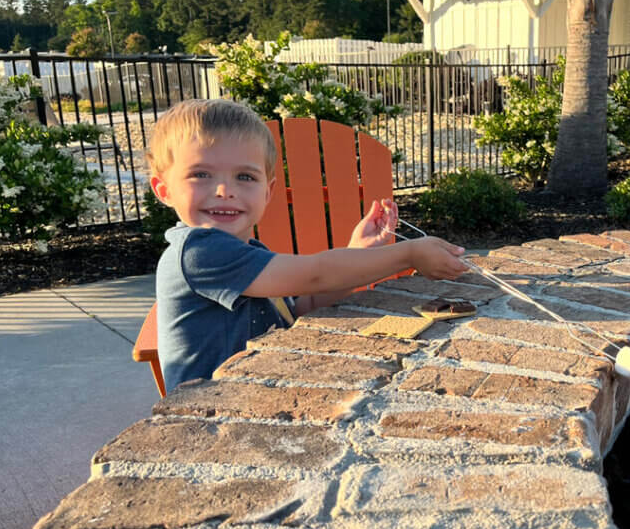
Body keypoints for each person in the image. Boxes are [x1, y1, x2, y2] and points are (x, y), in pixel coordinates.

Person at [147, 99, 467, 391]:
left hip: (260, 390)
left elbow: (304, 304)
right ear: (164, 190)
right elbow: (315, 275)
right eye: (200, 174)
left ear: (268, 192)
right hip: (208, 413)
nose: (224, 190)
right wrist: (408, 253)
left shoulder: (252, 254)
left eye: (245, 177)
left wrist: (359, 254)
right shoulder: (198, 253)